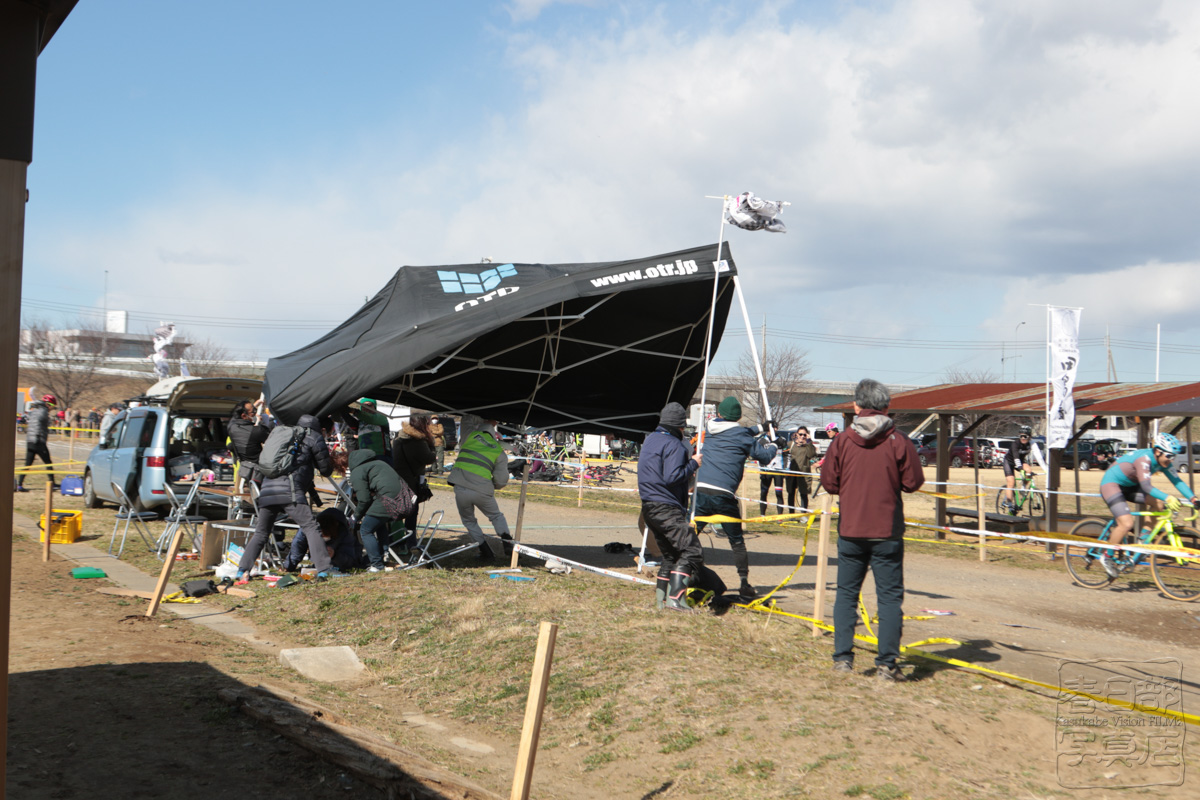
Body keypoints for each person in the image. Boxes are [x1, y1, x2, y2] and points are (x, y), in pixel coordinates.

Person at [820, 379, 924, 683]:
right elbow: (913, 482)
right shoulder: (899, 441)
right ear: (887, 407)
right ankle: (887, 665)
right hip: (887, 531)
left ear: (855, 407)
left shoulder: (841, 441)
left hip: (851, 529)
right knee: (890, 598)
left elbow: (829, 483)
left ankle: (842, 660)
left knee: (846, 594)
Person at [692, 396, 780, 598]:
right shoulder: (741, 436)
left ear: (719, 414)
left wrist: (761, 427)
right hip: (724, 494)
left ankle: (676, 571)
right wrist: (775, 444)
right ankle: (743, 582)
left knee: (689, 534)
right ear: (738, 416)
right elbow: (765, 457)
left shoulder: (711, 427)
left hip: (701, 491)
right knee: (737, 541)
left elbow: (738, 432)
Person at [235, 414, 336, 583]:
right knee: (311, 526)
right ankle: (324, 569)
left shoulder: (286, 434)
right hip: (290, 490)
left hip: (267, 490)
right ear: (319, 427)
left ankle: (242, 570)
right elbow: (325, 469)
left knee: (261, 532)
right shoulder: (314, 436)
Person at [1097, 432, 1198, 578]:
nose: (1171, 460)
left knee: (1158, 504)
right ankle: (1106, 555)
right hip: (1112, 484)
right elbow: (1146, 487)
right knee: (1126, 524)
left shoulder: (1163, 462)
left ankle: (1142, 542)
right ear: (1158, 451)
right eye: (1169, 456)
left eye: (1174, 457)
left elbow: (1177, 481)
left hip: (1130, 486)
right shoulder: (1144, 459)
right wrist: (1168, 497)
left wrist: (1193, 499)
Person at [638, 402, 708, 610]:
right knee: (692, 550)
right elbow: (672, 477)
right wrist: (693, 463)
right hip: (666, 506)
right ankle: (676, 600)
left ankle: (662, 601)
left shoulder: (650, 440)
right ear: (680, 427)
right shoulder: (674, 445)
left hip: (649, 507)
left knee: (670, 556)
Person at [447, 415, 511, 561]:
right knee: (496, 516)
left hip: (461, 487)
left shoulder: (470, 436)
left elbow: (466, 419)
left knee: (469, 521)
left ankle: (485, 551)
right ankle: (507, 542)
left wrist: (484, 419)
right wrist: (493, 484)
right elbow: (501, 481)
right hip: (483, 489)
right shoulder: (498, 451)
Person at [348, 448, 409, 572]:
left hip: (388, 499)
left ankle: (377, 565)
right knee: (379, 523)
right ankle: (383, 555)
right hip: (403, 498)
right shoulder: (379, 463)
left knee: (365, 529)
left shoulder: (358, 471)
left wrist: (355, 517)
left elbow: (364, 500)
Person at [392, 413, 436, 542]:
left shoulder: (400, 436)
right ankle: (410, 542)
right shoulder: (416, 440)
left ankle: (396, 538)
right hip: (411, 479)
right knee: (411, 512)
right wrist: (432, 445)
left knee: (397, 510)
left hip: (398, 477)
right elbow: (428, 458)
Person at [280, 507, 364, 573]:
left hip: (338, 564)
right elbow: (297, 546)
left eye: (326, 535)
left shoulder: (345, 534)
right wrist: (288, 566)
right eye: (321, 535)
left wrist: (335, 555)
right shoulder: (308, 528)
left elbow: (351, 561)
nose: (324, 538)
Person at [16, 394, 57, 493]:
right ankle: (52, 483)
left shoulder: (35, 410)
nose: (52, 408)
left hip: (30, 440)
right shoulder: (43, 411)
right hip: (38, 440)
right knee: (48, 462)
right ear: (48, 404)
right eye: (52, 406)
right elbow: (46, 423)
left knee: (27, 464)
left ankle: (19, 484)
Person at [1000, 426, 1046, 512]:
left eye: (1025, 436)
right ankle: (1010, 507)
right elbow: (1016, 457)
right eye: (1021, 436)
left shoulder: (1032, 444)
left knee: (1029, 471)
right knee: (1011, 482)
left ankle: (1023, 488)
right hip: (1009, 461)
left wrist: (1046, 470)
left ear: (1030, 437)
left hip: (1020, 461)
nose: (1023, 438)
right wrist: (1020, 468)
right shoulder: (1015, 444)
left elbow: (1039, 458)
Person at [226, 400, 271, 485]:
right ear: (244, 415)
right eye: (253, 411)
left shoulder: (232, 427)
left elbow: (234, 418)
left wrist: (254, 406)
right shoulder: (256, 431)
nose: (255, 412)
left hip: (244, 469)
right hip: (258, 472)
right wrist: (261, 422)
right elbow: (270, 437)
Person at [787, 427, 819, 512]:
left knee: (803, 494)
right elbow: (784, 453)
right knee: (791, 493)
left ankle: (803, 514)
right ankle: (791, 514)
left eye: (804, 434)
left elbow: (811, 454)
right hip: (792, 472)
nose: (802, 436)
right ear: (796, 434)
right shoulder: (791, 444)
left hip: (804, 472)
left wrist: (808, 442)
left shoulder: (809, 446)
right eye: (800, 434)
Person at [352, 398, 392, 465]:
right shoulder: (360, 422)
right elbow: (351, 423)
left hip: (381, 456)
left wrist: (353, 411)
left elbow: (371, 418)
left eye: (369, 405)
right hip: (365, 456)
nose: (366, 407)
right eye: (364, 406)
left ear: (374, 407)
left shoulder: (381, 417)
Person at [759, 448, 786, 516]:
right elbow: (759, 455)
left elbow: (786, 455)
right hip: (767, 470)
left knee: (779, 494)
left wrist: (785, 469)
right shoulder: (763, 440)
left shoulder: (781, 440)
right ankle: (762, 515)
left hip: (778, 471)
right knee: (763, 493)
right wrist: (761, 470)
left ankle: (779, 516)